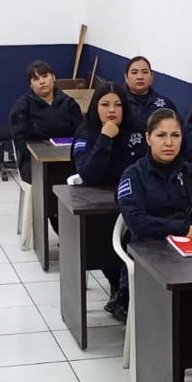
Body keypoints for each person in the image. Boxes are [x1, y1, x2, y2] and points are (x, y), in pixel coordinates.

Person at [116, 108, 192, 382]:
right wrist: (183, 229)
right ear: (148, 138)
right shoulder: (133, 176)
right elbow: (138, 223)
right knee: (172, 312)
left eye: (175, 135)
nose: (169, 142)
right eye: (161, 135)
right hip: (152, 261)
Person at [72, 81, 134, 320]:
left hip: (133, 198)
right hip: (99, 204)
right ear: (95, 107)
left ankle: (127, 292)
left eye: (118, 105)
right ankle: (120, 288)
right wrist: (105, 137)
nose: (112, 110)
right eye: (105, 104)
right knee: (103, 240)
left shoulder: (138, 132)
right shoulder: (86, 134)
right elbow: (89, 174)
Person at [10, 60, 83, 183]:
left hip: (67, 157)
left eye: (45, 76)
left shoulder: (69, 103)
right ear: (31, 85)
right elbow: (20, 140)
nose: (42, 82)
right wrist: (41, 154)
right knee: (47, 178)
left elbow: (81, 133)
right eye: (36, 79)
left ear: (53, 77)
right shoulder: (22, 106)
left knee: (80, 174)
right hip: (34, 160)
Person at [122, 56, 178, 158]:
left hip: (159, 160)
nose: (140, 77)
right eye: (134, 72)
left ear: (152, 76)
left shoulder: (165, 104)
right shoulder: (118, 103)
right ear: (126, 77)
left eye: (145, 72)